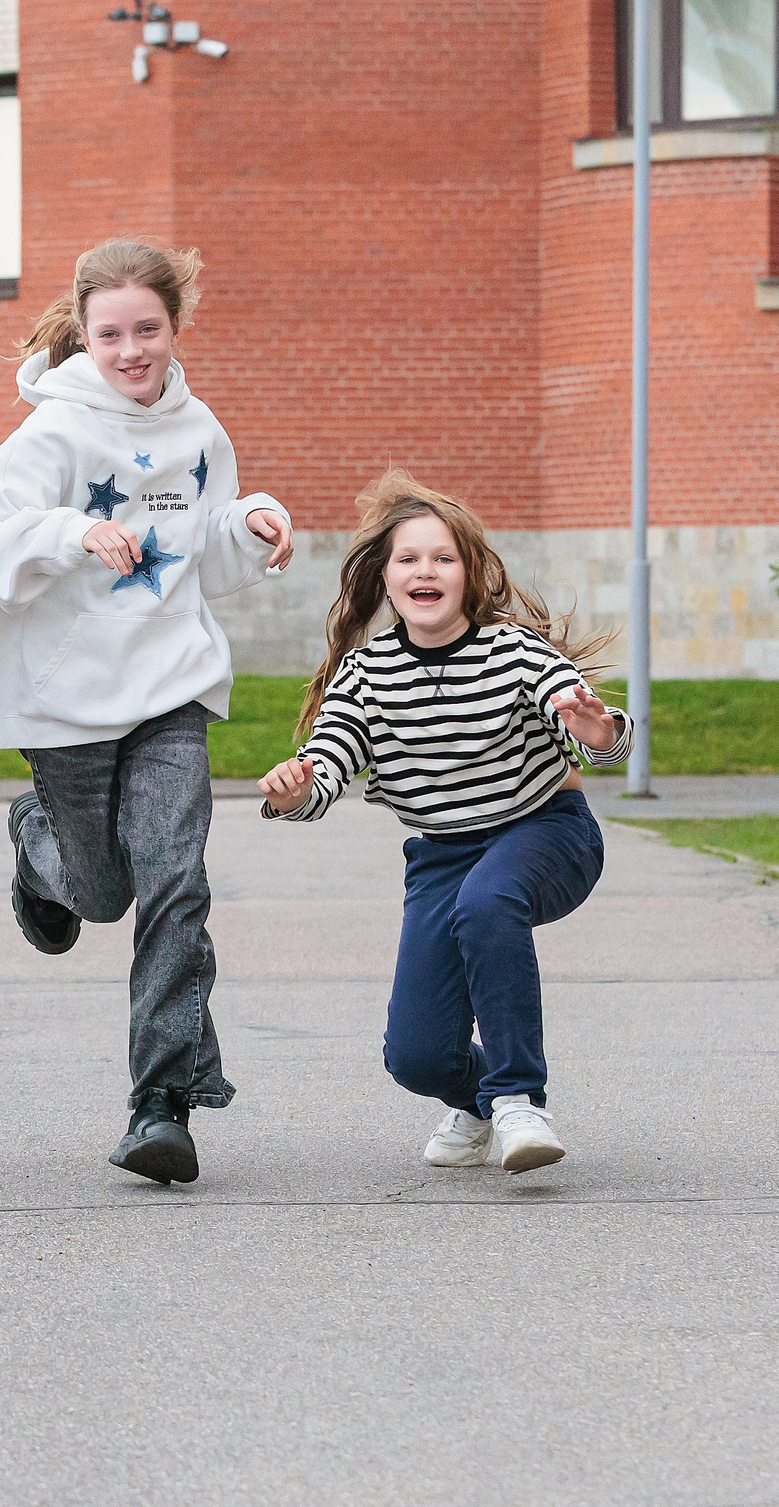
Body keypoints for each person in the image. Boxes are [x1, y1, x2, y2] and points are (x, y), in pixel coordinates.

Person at [0, 241, 293, 1184]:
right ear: (85, 333)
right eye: (112, 333)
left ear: (175, 325)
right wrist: (72, 531)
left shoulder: (198, 430)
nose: (132, 350)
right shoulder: (51, 434)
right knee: (102, 896)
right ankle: (38, 842)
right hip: (66, 704)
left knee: (176, 880)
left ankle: (162, 1103)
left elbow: (206, 556)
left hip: (170, 688)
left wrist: (250, 524)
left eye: (148, 330)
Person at [257, 470, 630, 1174]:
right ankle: (478, 1096)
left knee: (489, 901)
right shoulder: (366, 674)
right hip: (442, 855)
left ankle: (520, 1097)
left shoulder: (513, 652)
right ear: (386, 577)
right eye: (408, 558)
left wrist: (596, 726)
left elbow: (594, 735)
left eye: (443, 558)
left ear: (470, 574)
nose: (425, 570)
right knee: (417, 1056)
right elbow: (329, 763)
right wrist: (292, 791)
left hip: (547, 831)